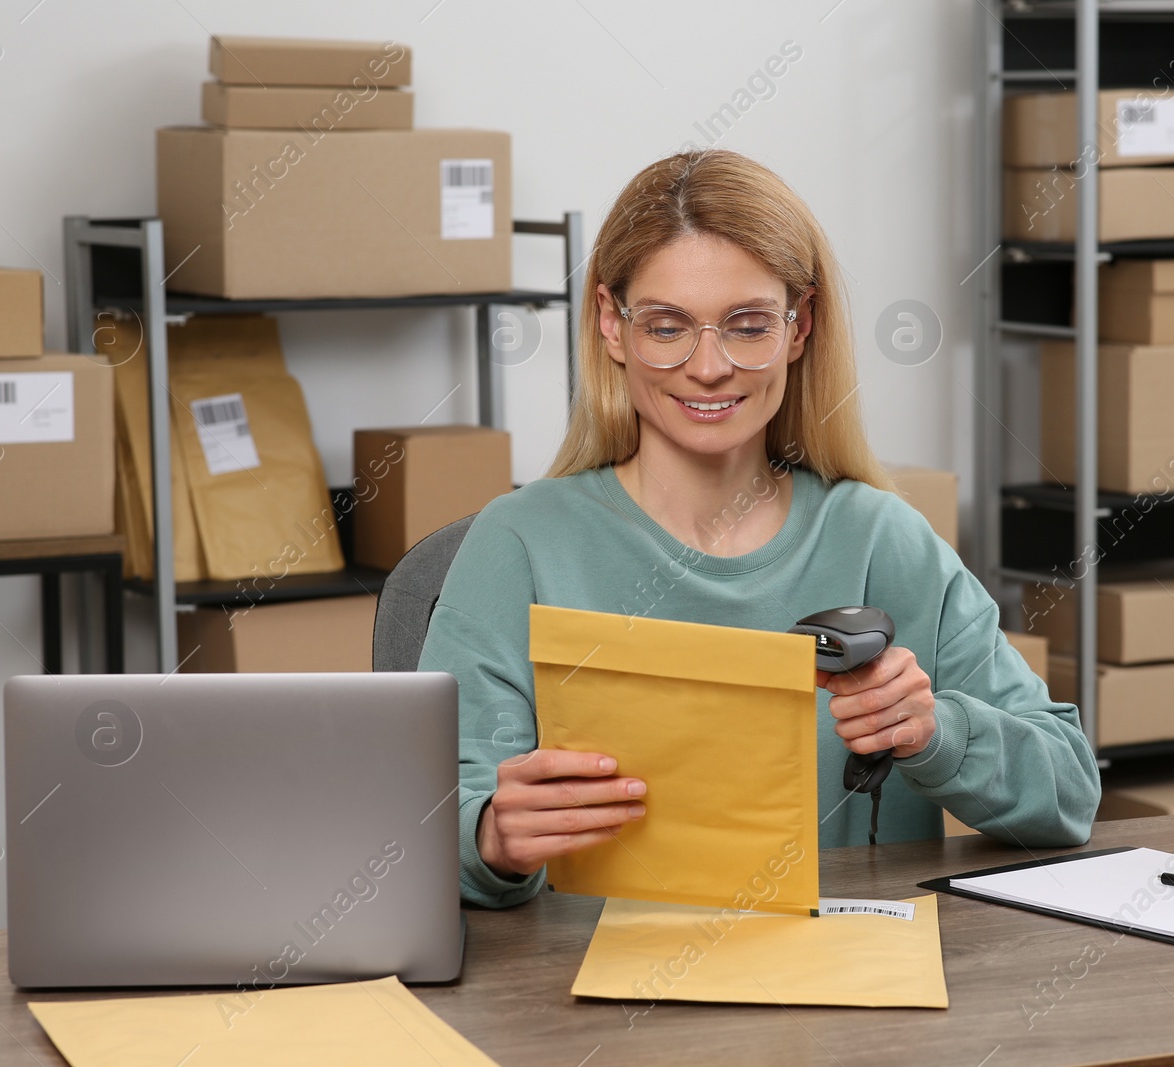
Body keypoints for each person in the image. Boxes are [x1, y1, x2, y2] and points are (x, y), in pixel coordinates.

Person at [418, 149, 1100, 909]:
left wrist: (938, 731)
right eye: (667, 326)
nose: (708, 368)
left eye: (747, 326)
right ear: (611, 325)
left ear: (800, 325)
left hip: (848, 1002)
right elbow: (422, 823)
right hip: (594, 1004)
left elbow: (1070, 795)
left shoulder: (881, 540)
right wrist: (492, 838)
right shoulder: (520, 543)